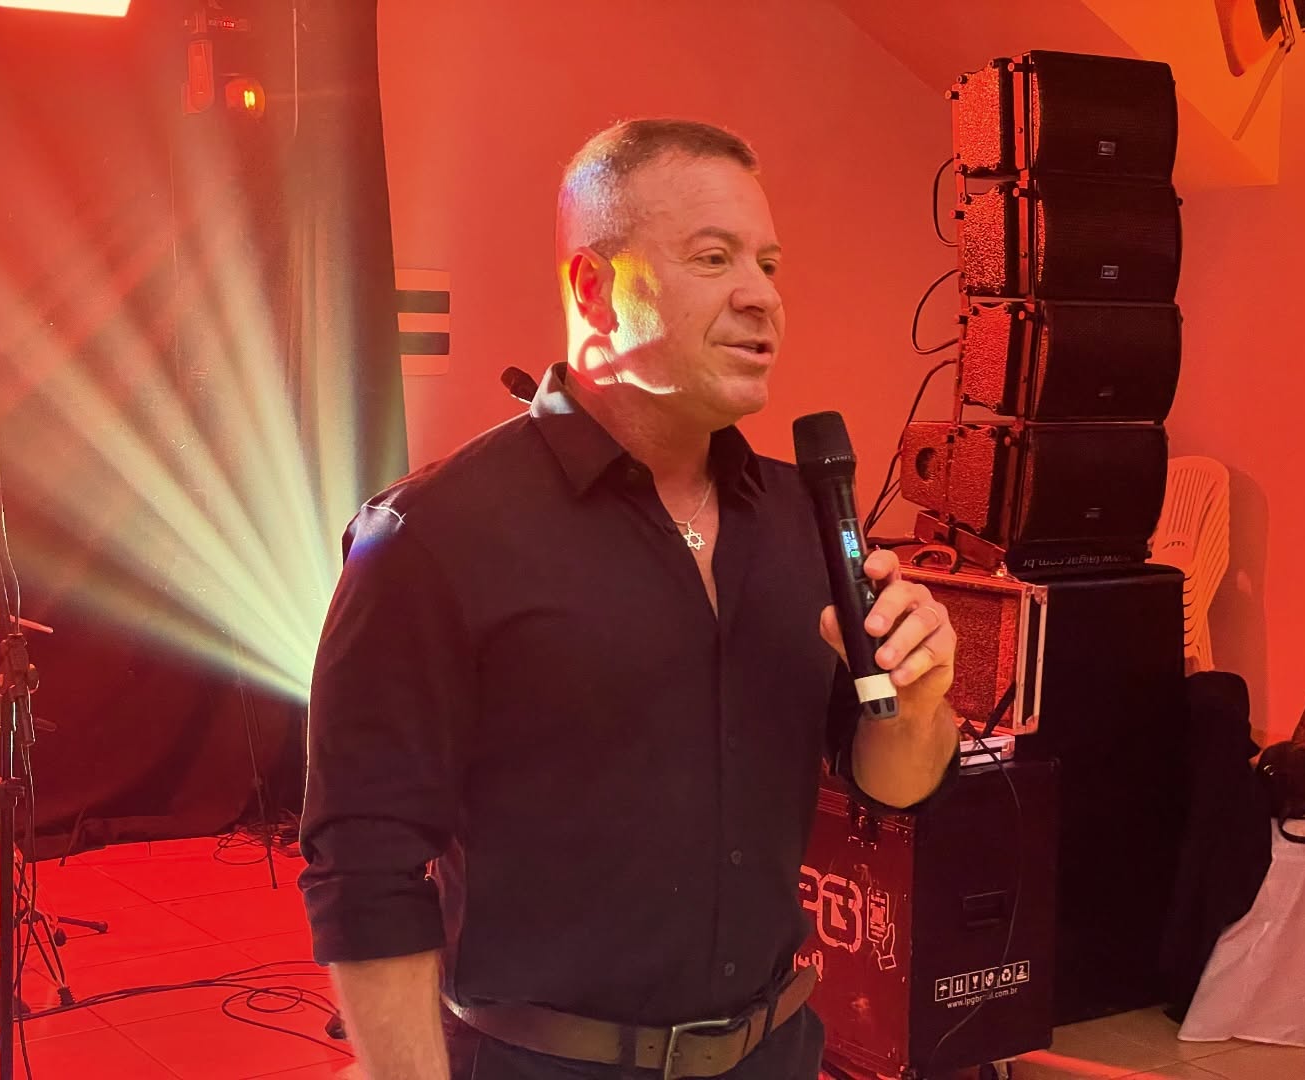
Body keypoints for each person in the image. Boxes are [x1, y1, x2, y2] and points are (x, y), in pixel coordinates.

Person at [299, 118, 960, 1080]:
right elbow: (366, 861)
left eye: (769, 263)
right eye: (714, 258)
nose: (761, 295)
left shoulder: (803, 522)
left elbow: (892, 781)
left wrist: (920, 706)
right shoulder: (433, 536)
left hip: (774, 1053)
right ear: (594, 289)